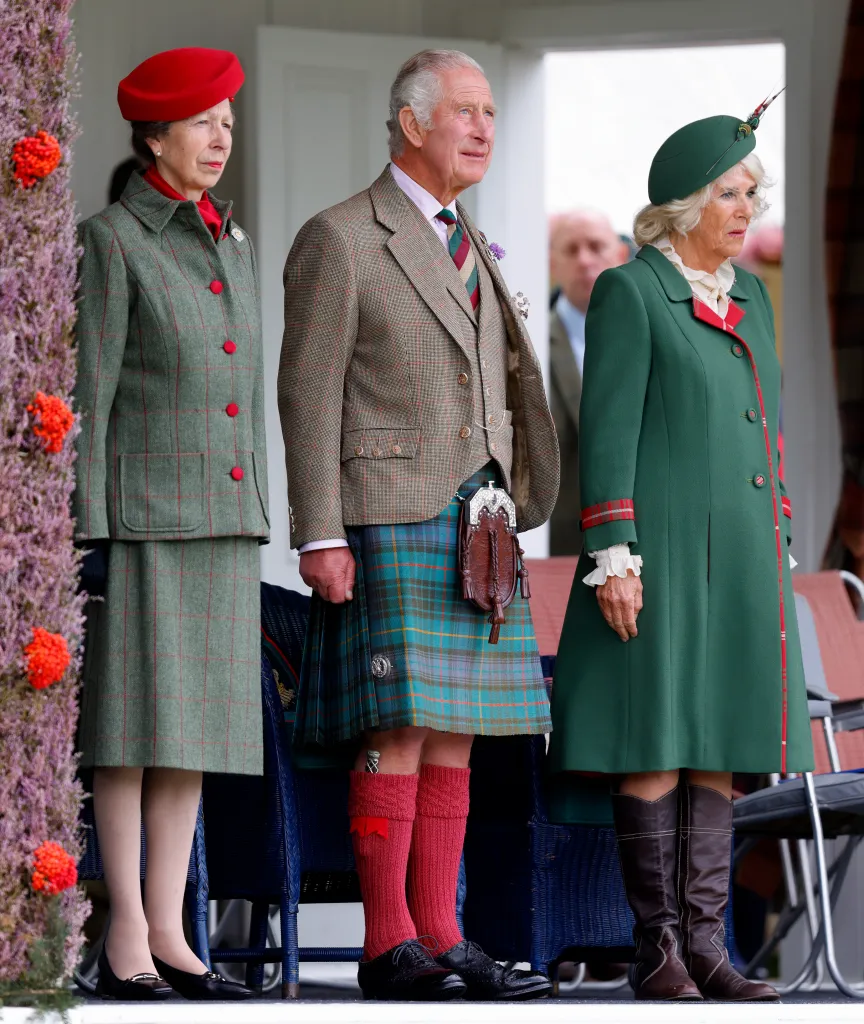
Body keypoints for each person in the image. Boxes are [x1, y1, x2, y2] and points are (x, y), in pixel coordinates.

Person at [278, 49, 559, 1002]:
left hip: (480, 523)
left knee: (457, 734)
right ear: (410, 122)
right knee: (394, 728)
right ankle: (385, 943)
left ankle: (442, 932)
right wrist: (318, 531)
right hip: (387, 514)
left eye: (491, 113)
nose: (485, 127)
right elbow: (307, 398)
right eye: (467, 112)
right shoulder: (342, 237)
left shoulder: (472, 242)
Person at [549, 107, 813, 1002]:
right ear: (686, 204)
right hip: (653, 555)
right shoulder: (631, 291)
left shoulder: (751, 296)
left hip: (739, 558)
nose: (747, 207)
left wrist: (775, 536)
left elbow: (766, 430)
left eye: (753, 193)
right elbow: (608, 432)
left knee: (718, 746)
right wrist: (611, 552)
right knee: (655, 737)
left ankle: (710, 951)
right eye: (732, 194)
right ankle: (657, 950)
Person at [73, 47, 268, 1002]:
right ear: (155, 135)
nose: (223, 135)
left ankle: (171, 930)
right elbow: (90, 392)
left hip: (225, 518)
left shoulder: (233, 241)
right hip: (146, 517)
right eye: (204, 120)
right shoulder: (112, 239)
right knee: (130, 732)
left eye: (229, 119)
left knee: (194, 733)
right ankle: (123, 933)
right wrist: (91, 532)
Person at [548, 211, 630, 555]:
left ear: (621, 257)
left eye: (596, 247)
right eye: (571, 249)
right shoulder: (527, 338)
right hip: (559, 542)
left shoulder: (654, 335)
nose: (584, 260)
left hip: (642, 534)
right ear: (552, 262)